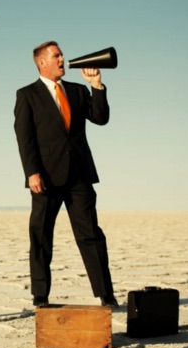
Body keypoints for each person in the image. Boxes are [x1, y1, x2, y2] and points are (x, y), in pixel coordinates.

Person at [13, 41, 118, 308]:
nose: (62, 59)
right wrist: (32, 173)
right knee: (41, 235)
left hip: (79, 176)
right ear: (42, 62)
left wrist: (97, 86)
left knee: (91, 234)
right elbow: (24, 138)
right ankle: (40, 296)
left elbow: (101, 118)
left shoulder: (78, 90)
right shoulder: (27, 95)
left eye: (61, 55)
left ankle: (106, 294)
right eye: (56, 56)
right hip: (45, 177)